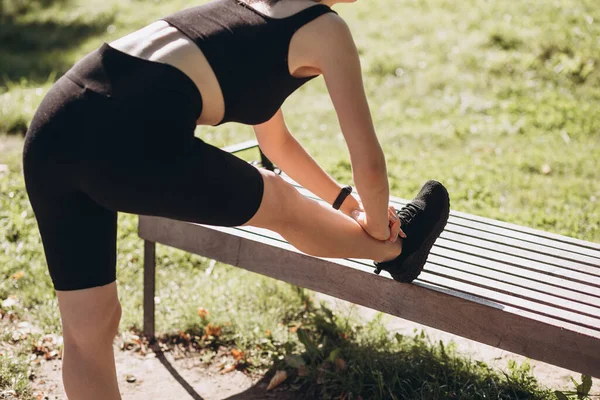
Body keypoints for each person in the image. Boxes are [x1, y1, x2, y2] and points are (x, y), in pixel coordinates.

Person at [22, 0, 450, 398]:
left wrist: (346, 203)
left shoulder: (246, 10)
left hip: (55, 126)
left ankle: (391, 245)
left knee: (88, 329)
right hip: (125, 141)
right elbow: (369, 164)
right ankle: (400, 248)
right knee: (281, 201)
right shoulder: (326, 28)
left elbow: (277, 142)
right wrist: (380, 227)